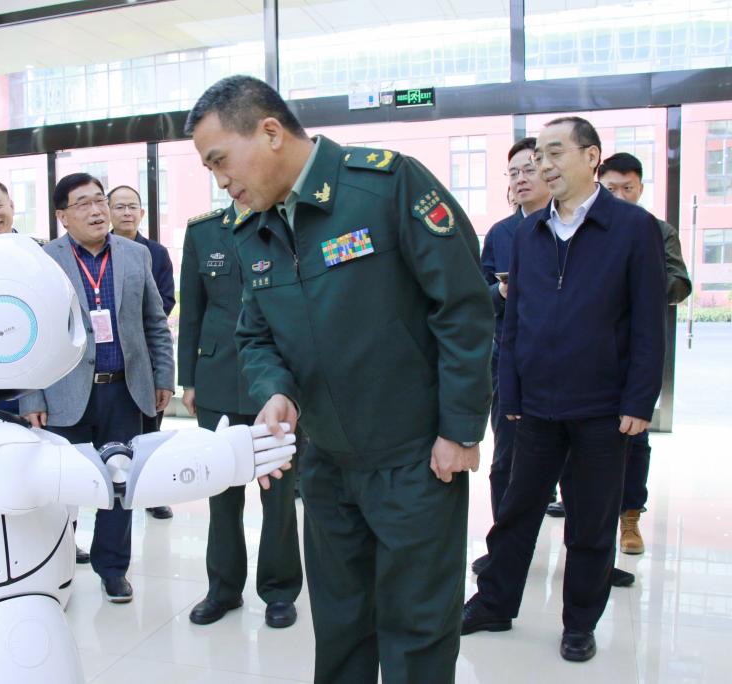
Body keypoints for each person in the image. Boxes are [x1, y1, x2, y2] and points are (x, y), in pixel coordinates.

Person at [186, 75, 493, 683]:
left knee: (418, 628)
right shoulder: (253, 230)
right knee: (341, 623)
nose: (220, 181)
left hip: (414, 459)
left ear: (270, 132)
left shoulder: (384, 186)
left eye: (219, 160)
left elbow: (462, 307)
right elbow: (255, 334)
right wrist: (275, 390)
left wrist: (460, 429)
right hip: (325, 463)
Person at [462, 117, 666, 663]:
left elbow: (649, 322)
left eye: (555, 153)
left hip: (603, 407)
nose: (544, 165)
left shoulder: (632, 228)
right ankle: (494, 603)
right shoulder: (529, 232)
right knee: (516, 511)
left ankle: (579, 622)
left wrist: (639, 400)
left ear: (591, 156)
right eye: (538, 156)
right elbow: (515, 321)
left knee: (591, 522)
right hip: (535, 405)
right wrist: (510, 393)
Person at [20, 172, 174, 604]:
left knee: (119, 486)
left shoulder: (135, 254)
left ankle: (113, 569)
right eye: (83, 203)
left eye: (100, 200)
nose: (96, 210)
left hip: (124, 390)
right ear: (62, 216)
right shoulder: (44, 260)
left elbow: (154, 322)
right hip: (64, 394)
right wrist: (31, 396)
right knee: (61, 490)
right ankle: (54, 569)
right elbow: (32, 334)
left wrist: (163, 376)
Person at [178, 201, 302, 629]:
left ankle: (279, 591)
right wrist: (188, 379)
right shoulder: (204, 231)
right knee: (220, 491)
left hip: (276, 382)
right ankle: (223, 589)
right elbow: (192, 311)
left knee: (279, 497)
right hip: (217, 377)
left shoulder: (285, 221)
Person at [597, 152, 692, 555]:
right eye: (611, 188)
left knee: (634, 439)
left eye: (628, 188)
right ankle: (588, 517)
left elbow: (679, 283)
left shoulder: (656, 229)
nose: (620, 195)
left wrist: (641, 288)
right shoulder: (584, 228)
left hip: (636, 352)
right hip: (590, 352)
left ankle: (630, 518)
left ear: (640, 188)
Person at [471, 138, 551, 575]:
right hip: (510, 361)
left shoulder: (569, 226)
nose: (521, 179)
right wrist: (499, 291)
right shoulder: (501, 234)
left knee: (576, 465)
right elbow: (478, 296)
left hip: (565, 362)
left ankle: (586, 556)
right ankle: (503, 550)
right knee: (506, 460)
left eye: (529, 169)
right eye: (514, 172)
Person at [108, 184, 176, 521]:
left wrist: (132, 320)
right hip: (109, 358)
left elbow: (164, 300)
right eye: (119, 207)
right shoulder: (99, 251)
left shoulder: (155, 253)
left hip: (145, 356)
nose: (126, 213)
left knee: (150, 431)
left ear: (142, 212)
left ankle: (152, 493)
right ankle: (114, 489)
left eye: (132, 206)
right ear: (108, 212)